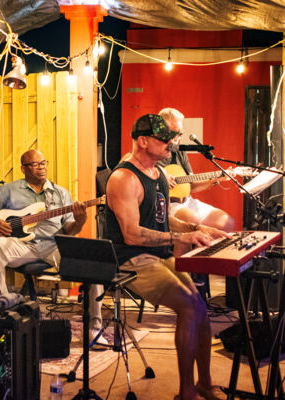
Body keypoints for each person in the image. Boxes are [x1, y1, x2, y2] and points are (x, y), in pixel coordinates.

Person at [105, 113, 229, 400]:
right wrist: (179, 239)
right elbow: (132, 234)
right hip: (132, 260)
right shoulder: (124, 178)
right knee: (189, 307)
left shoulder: (159, 173)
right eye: (164, 139)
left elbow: (162, 220)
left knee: (201, 307)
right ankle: (186, 391)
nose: (171, 144)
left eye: (172, 138)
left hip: (159, 254)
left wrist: (197, 228)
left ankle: (204, 383)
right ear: (143, 140)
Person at [0, 149, 106, 343]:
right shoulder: (9, 190)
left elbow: (70, 230)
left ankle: (95, 328)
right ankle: (0, 306)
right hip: (23, 245)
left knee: (91, 262)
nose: (41, 167)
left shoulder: (60, 194)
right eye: (35, 164)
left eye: (44, 163)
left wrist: (80, 220)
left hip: (54, 246)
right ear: (23, 169)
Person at [157, 108, 235, 235]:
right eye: (173, 132)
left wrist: (216, 179)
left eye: (180, 132)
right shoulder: (152, 150)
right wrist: (161, 172)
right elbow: (132, 160)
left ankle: (204, 254)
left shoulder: (179, 151)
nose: (178, 136)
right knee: (191, 218)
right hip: (166, 204)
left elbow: (190, 186)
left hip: (186, 201)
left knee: (226, 222)